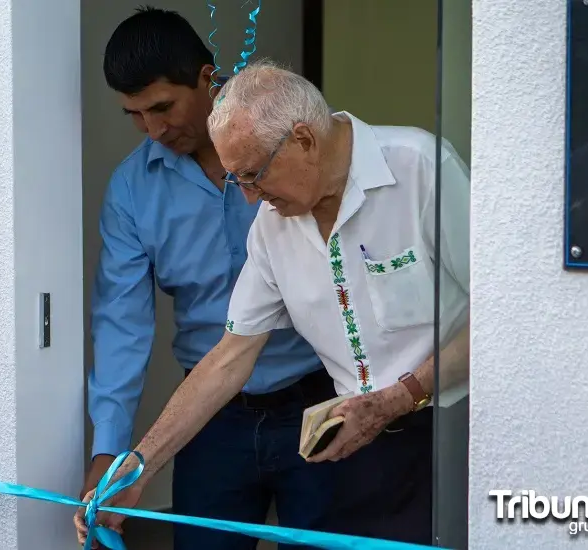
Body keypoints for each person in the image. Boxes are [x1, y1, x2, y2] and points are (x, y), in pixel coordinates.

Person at [76, 59, 471, 546]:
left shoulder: (419, 168)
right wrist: (137, 468)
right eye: (235, 180)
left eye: (253, 175)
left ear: (303, 140)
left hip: (451, 437)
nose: (248, 198)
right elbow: (229, 355)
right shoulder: (271, 225)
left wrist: (400, 397)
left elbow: (503, 314)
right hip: (354, 453)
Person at [78, 8, 344, 550]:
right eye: (135, 114)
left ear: (207, 78)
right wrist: (110, 453)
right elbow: (121, 324)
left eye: (162, 107)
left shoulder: (292, 157)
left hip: (317, 401)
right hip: (207, 420)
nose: (154, 129)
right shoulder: (133, 190)